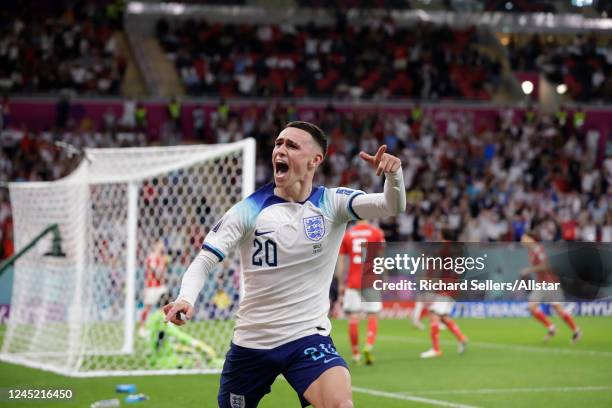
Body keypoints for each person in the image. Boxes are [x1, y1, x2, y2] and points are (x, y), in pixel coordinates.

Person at [164, 121, 406, 408]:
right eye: (279, 143)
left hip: (307, 338)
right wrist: (185, 298)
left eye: (291, 145)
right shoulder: (248, 210)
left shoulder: (332, 203)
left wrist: (394, 175)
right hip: (253, 343)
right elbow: (204, 261)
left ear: (316, 159)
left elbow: (391, 206)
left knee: (340, 405)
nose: (280, 149)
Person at [337, 220, 385, 365]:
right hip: (370, 280)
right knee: (373, 315)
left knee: (353, 317)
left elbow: (341, 262)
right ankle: (369, 345)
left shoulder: (348, 234)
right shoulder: (376, 233)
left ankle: (356, 354)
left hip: (353, 281)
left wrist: (340, 283)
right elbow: (381, 258)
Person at [520, 231, 582, 343]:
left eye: (524, 238)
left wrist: (529, 270)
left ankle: (576, 330)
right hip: (541, 284)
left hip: (549, 283)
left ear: (531, 238)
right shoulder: (531, 251)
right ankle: (551, 327)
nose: (522, 241)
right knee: (532, 307)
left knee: (558, 310)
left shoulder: (538, 250)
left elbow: (545, 266)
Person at [420, 230, 468, 359]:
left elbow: (435, 263)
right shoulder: (457, 248)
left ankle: (436, 349)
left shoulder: (444, 247)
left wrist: (428, 277)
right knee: (443, 317)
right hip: (453, 286)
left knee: (434, 314)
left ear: (442, 235)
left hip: (446, 286)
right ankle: (461, 338)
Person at [146, 293, 220, 369]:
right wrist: (196, 343)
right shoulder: (162, 318)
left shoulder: (153, 317)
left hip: (156, 356)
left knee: (190, 353)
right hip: (162, 359)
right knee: (196, 360)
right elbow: (178, 335)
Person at [139, 239, 169, 336]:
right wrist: (163, 265)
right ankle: (142, 328)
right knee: (148, 307)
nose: (162, 246)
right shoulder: (152, 257)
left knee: (167, 304)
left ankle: (166, 326)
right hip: (152, 286)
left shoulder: (163, 257)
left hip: (160, 286)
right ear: (156, 245)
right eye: (160, 244)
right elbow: (156, 272)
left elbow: (162, 275)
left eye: (163, 245)